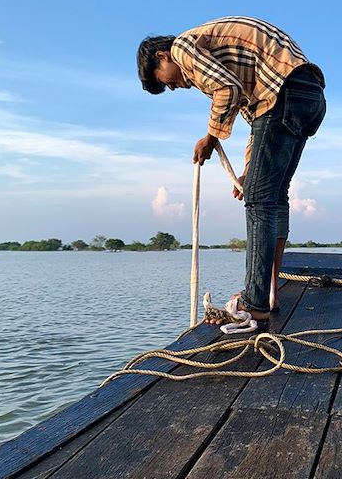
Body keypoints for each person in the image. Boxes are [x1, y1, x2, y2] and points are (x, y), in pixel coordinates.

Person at [137, 16, 326, 320]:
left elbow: (227, 89)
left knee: (260, 200)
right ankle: (269, 293)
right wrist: (249, 172)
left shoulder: (182, 47)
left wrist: (210, 138)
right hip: (308, 95)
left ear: (162, 57)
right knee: (274, 196)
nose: (172, 88)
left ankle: (255, 301)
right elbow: (256, 119)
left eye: (164, 81)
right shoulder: (225, 58)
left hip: (285, 92)